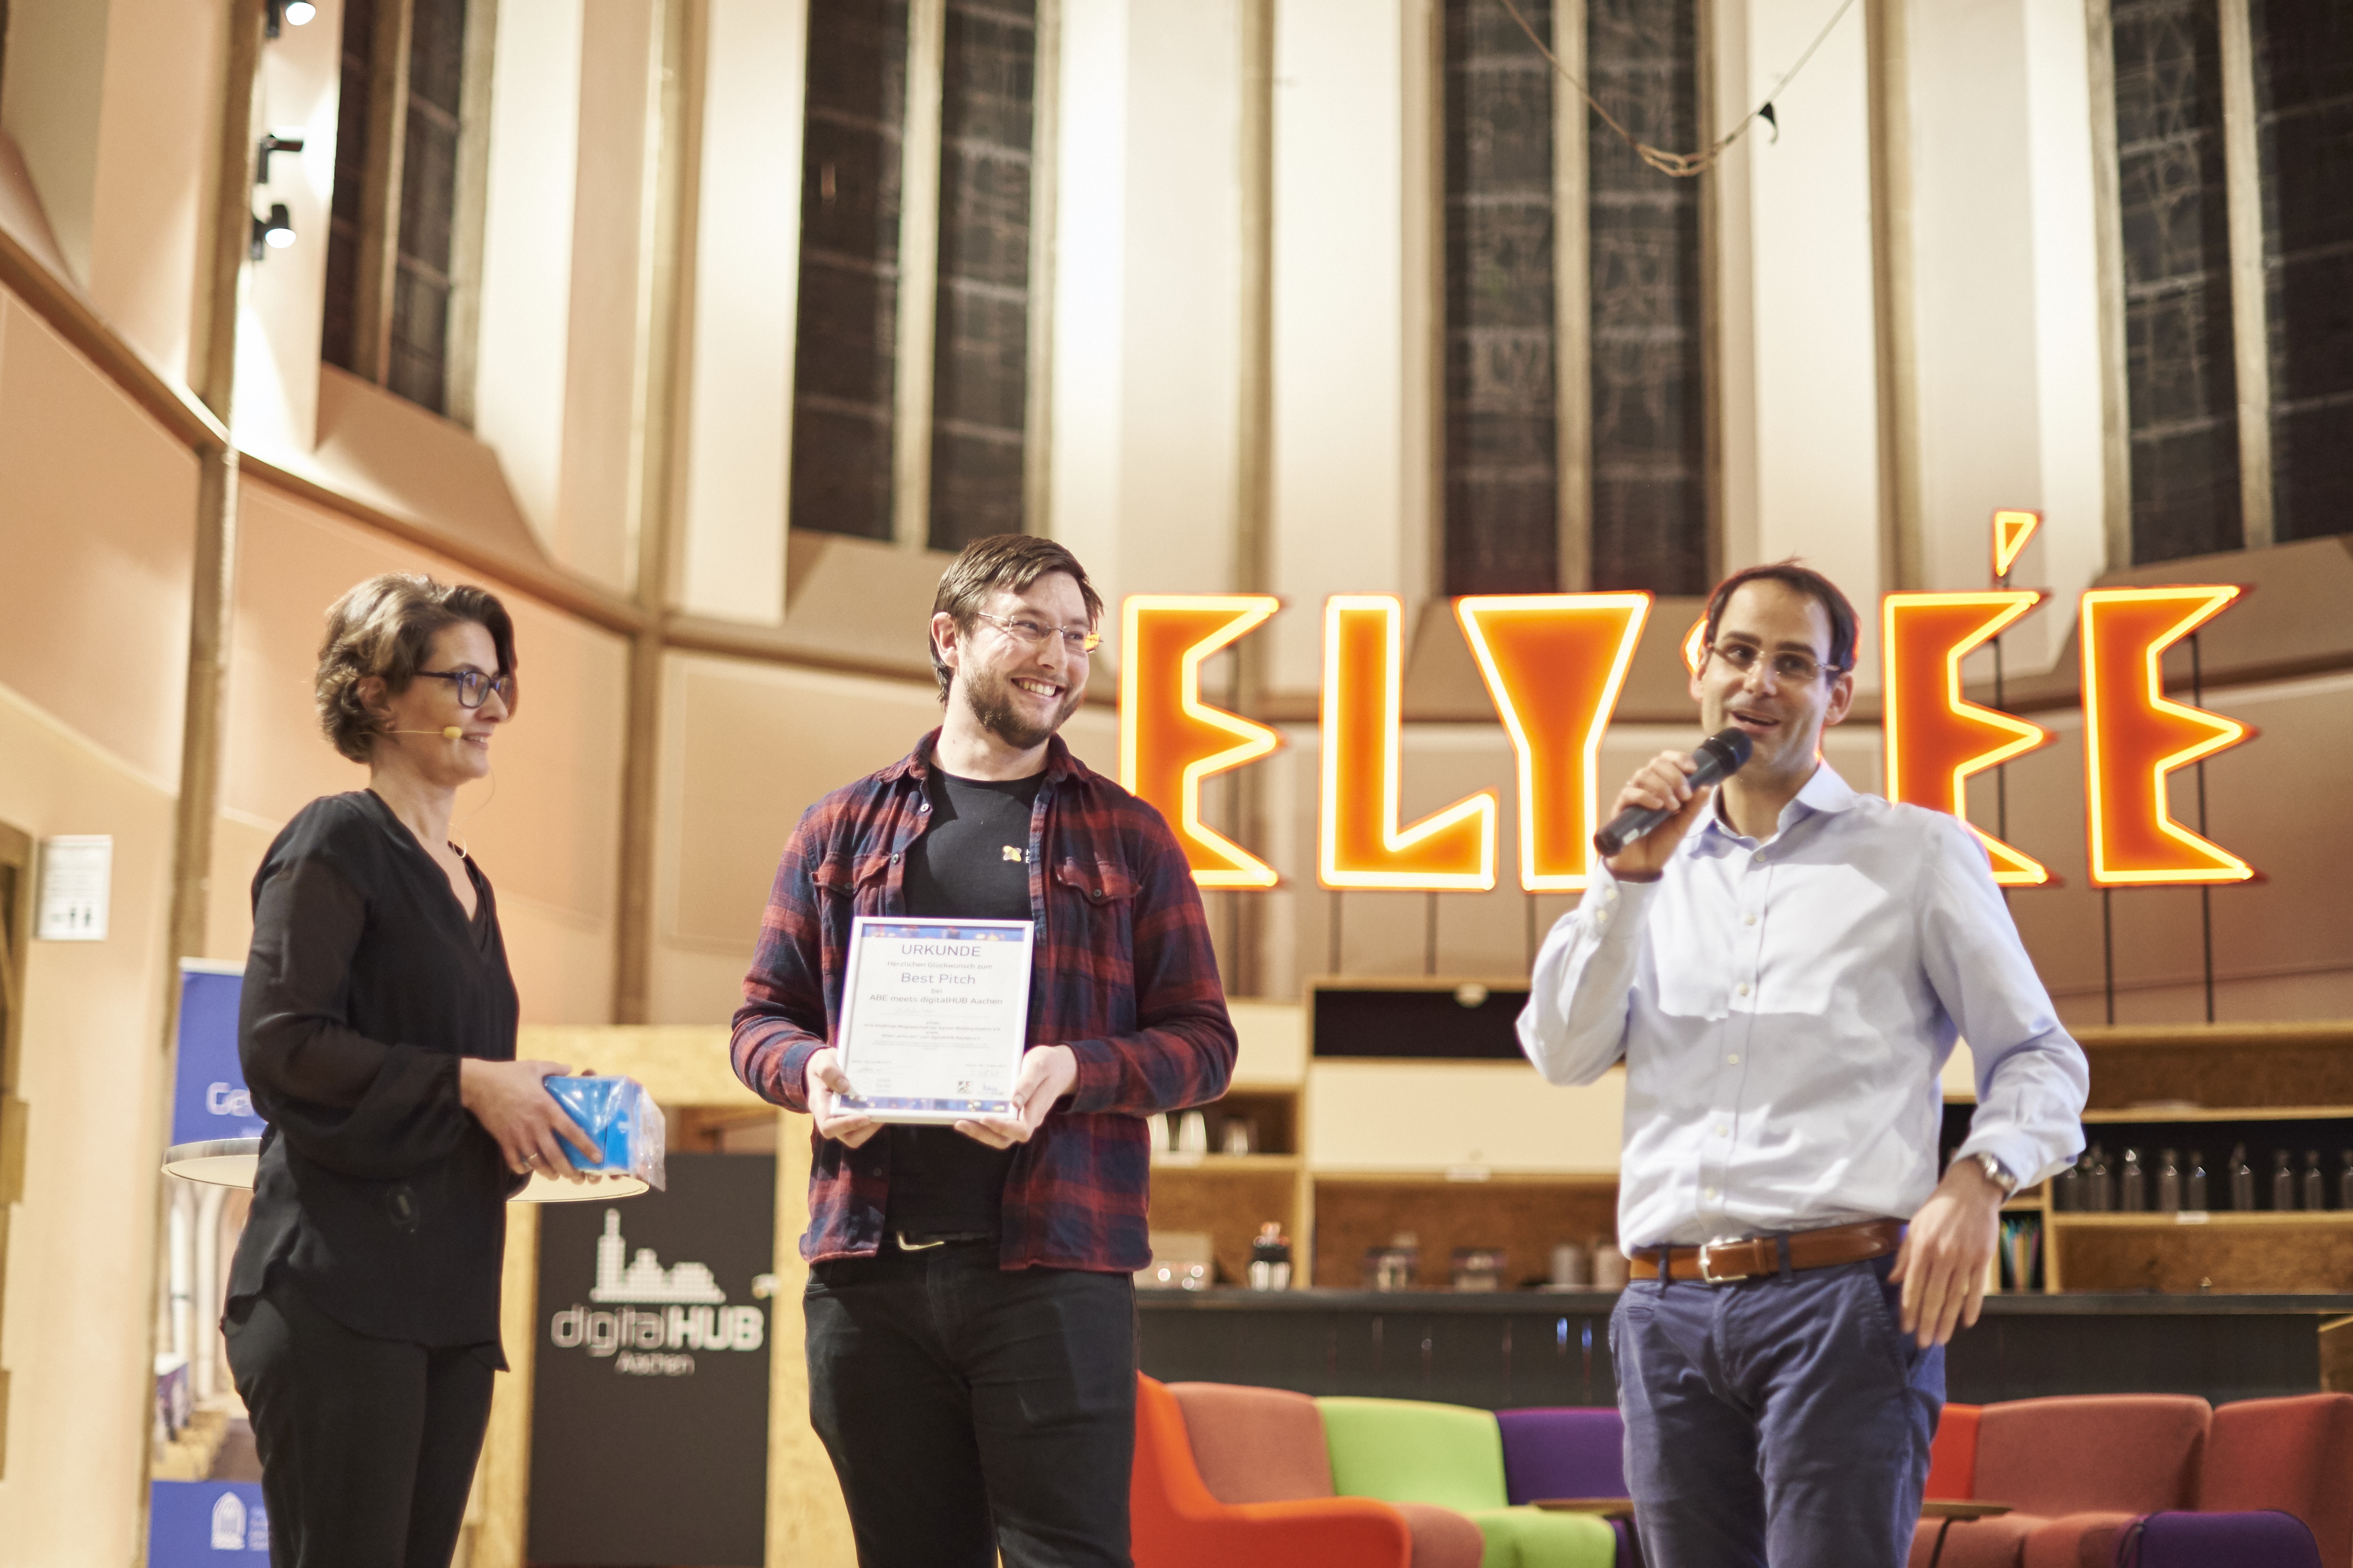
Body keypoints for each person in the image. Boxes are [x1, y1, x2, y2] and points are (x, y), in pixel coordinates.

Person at [1516, 561, 2089, 1567]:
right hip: (1665, 1309)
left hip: (1844, 1303)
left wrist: (1976, 1179)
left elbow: (2040, 1056)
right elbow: (1561, 1054)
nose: (1758, 684)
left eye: (1792, 663)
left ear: (1837, 695)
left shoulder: (1916, 855)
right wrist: (1622, 888)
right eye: (1737, 654)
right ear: (1699, 672)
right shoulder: (1644, 875)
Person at [732, 534, 1238, 1568]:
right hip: (869, 1276)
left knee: (1068, 1557)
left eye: (1076, 636)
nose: (1058, 657)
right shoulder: (837, 830)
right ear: (948, 639)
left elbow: (1204, 1045)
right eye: (1028, 627)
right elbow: (758, 1024)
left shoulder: (1128, 838)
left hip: (1052, 1273)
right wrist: (811, 1073)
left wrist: (1075, 1071)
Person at [223, 574, 599, 1568]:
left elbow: (458, 1074)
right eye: (465, 682)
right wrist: (473, 1083)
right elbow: (281, 1045)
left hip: (450, 1296)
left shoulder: (472, 882)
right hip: (336, 1292)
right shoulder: (335, 838)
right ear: (377, 695)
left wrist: (531, 1109)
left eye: (499, 684)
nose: (494, 709)